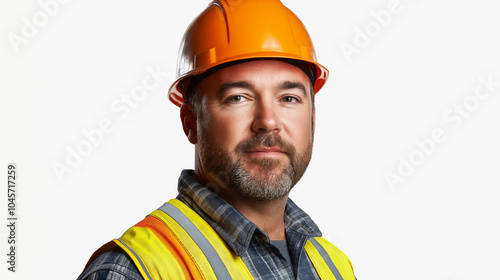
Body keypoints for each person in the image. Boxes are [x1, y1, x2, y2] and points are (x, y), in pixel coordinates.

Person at [78, 0, 357, 279]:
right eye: (238, 97)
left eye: (289, 98)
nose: (268, 121)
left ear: (313, 120)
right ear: (191, 122)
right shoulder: (134, 272)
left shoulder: (334, 265)